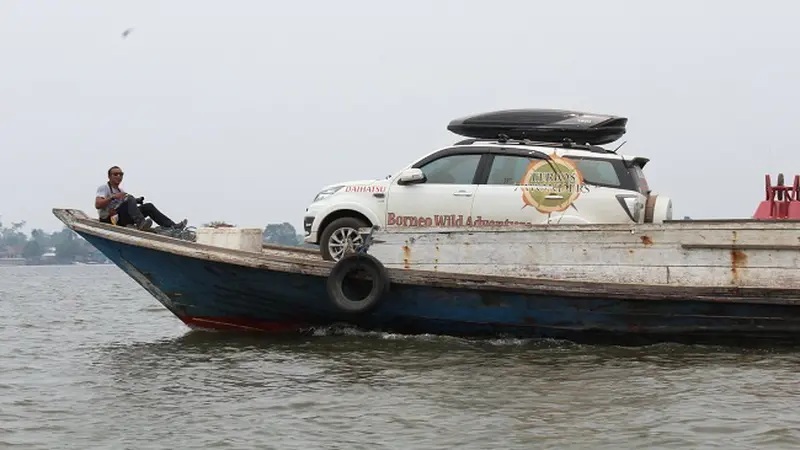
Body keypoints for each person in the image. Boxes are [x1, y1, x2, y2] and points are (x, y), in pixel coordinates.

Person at [95, 165, 187, 231]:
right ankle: (140, 223)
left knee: (148, 206)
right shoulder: (104, 188)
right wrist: (113, 197)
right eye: (115, 174)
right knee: (129, 198)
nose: (118, 176)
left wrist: (136, 200)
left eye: (121, 174)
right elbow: (98, 204)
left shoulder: (120, 190)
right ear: (109, 176)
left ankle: (172, 227)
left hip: (120, 218)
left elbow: (125, 204)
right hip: (109, 219)